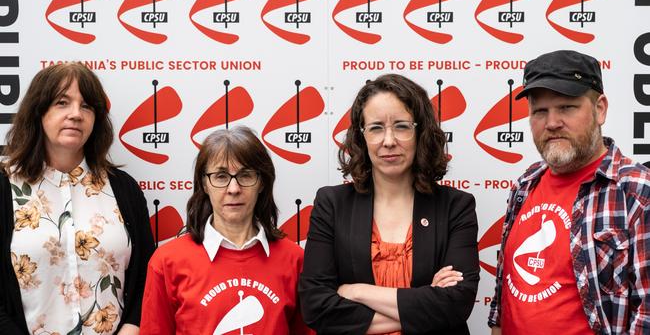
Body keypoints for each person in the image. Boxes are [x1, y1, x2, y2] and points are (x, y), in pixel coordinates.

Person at [299, 74, 480, 334]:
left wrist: (357, 291)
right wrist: (427, 307)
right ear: (361, 138)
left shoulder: (456, 207)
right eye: (375, 128)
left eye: (402, 126)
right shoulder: (332, 204)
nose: (388, 140)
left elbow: (456, 305)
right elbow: (317, 307)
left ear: (421, 132)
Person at [488, 50, 650, 334]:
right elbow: (505, 296)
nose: (552, 122)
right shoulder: (525, 184)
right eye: (540, 111)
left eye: (566, 107)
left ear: (599, 109)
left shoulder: (636, 191)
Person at [0, 63, 155, 335]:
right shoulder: (5, 186)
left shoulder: (123, 189)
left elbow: (146, 273)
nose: (76, 114)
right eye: (62, 102)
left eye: (86, 106)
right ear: (39, 112)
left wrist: (132, 327)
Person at [140, 126, 311, 334]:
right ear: (204, 184)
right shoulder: (167, 262)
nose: (233, 189)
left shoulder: (295, 260)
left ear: (262, 183)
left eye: (245, 175)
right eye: (221, 176)